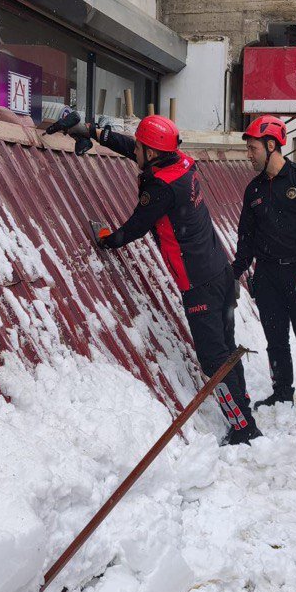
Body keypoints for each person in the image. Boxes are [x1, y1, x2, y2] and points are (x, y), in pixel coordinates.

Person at [77, 115, 263, 445]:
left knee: (212, 358)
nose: (135, 150)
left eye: (140, 147)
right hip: (219, 269)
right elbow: (134, 150)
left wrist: (108, 239)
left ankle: (242, 426)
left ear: (152, 153)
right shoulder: (182, 162)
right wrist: (94, 132)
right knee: (225, 348)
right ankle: (243, 408)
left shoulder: (162, 189)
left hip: (198, 281)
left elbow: (136, 226)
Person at [232, 115, 296, 420]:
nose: (248, 154)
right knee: (276, 340)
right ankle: (282, 390)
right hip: (267, 276)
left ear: (271, 145)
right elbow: (246, 236)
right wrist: (237, 270)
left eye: (253, 149)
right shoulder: (254, 190)